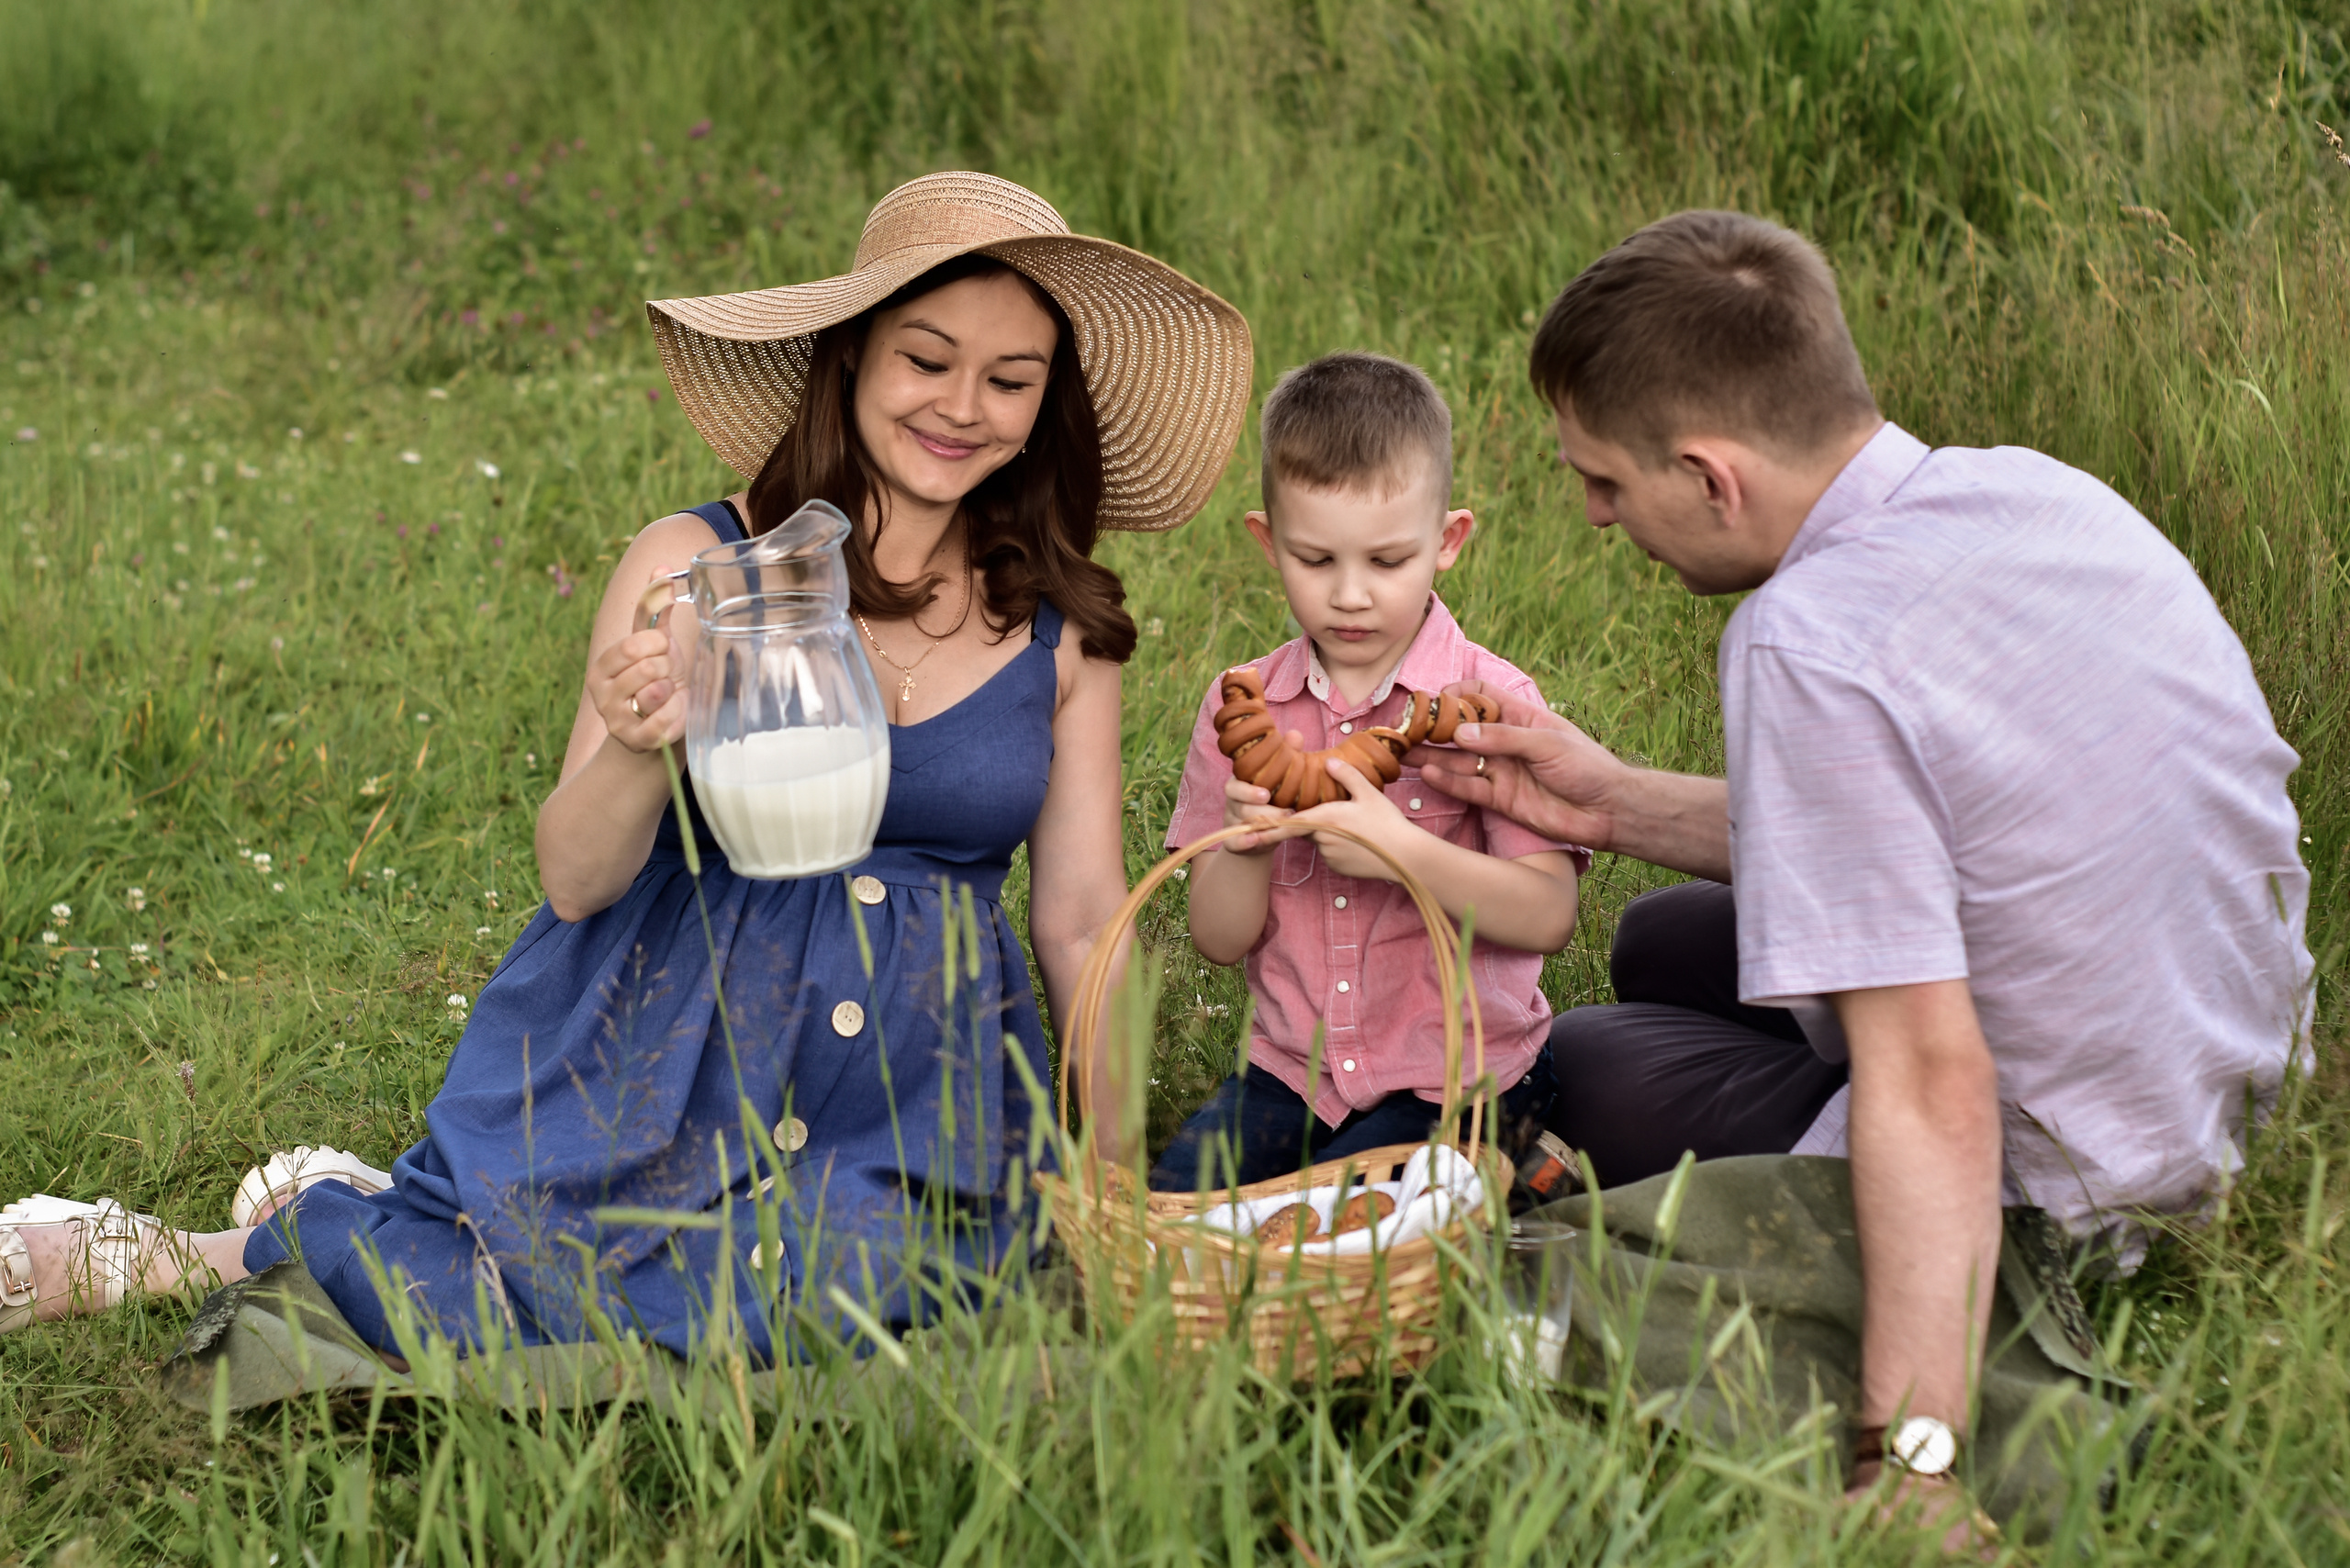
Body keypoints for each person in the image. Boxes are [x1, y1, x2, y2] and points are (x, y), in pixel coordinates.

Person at [0, 173, 1253, 1358]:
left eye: (1011, 378)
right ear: (855, 351)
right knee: (513, 1290)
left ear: (1048, 405)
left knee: (845, 1293)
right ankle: (180, 1252)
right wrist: (645, 740)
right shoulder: (695, 566)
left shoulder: (1062, 627)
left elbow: (1086, 919)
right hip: (672, 1046)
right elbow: (578, 876)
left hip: (912, 1088)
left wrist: (1115, 1174)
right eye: (927, 357)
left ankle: (378, 1209)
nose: (962, 404)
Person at [1415, 210, 2313, 1519]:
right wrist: (1605, 804)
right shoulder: (2032, 493)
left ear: (1711, 477)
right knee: (1665, 932)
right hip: (2209, 1082)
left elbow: (1935, 1078)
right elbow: (1961, 821)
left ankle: (1934, 1339)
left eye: (1605, 481)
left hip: (2066, 1177)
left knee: (1589, 1060)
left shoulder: (1804, 642)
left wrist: (1913, 1461)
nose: (1599, 518)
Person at [1152, 353, 1583, 1192]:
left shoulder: (1490, 704)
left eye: (1387, 562)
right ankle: (1488, 1188)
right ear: (1267, 541)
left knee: (1336, 1231)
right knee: (1181, 1211)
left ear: (1447, 541)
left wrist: (1403, 852)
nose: (1350, 596)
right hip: (1293, 1079)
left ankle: (1514, 1167)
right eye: (1316, 561)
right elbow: (1218, 940)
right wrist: (1245, 844)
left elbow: (1547, 914)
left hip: (1461, 1080)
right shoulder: (1244, 709)